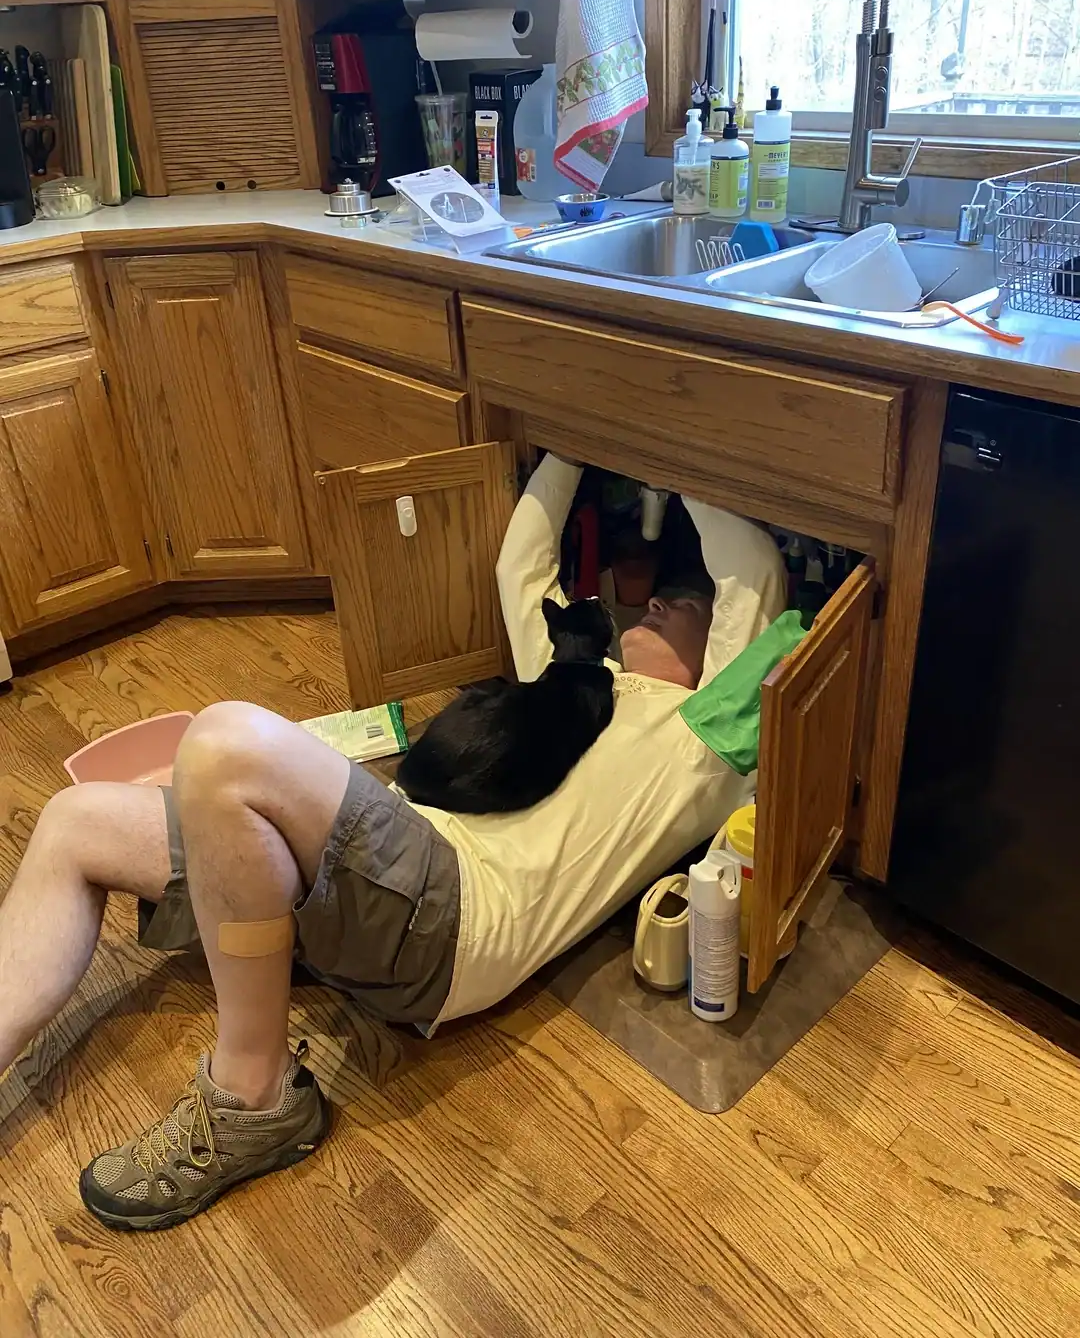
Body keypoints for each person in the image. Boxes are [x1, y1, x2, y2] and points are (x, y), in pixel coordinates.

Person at [0, 456, 785, 1230]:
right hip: (392, 872)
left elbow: (751, 571)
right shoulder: (580, 677)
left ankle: (254, 1096)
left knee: (223, 745)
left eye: (690, 603)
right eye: (664, 595)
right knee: (76, 820)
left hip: (458, 914)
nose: (661, 603)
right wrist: (580, 441)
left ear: (725, 651)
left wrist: (664, 446)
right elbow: (521, 562)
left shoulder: (707, 739)